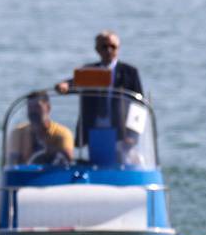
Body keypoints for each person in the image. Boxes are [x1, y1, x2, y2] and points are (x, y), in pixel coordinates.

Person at [55, 31, 146, 163]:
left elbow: (139, 105)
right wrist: (65, 85)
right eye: (104, 46)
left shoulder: (129, 72)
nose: (108, 50)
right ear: (97, 49)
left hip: (121, 131)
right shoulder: (89, 70)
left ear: (118, 49)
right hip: (95, 128)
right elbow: (74, 83)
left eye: (112, 47)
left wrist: (133, 135)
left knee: (123, 164)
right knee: (97, 164)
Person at [6, 90, 75, 167]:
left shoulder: (62, 133)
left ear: (48, 108)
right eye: (30, 107)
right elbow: (12, 164)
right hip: (25, 176)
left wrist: (53, 151)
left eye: (37, 107)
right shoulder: (18, 133)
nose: (33, 111)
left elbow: (69, 162)